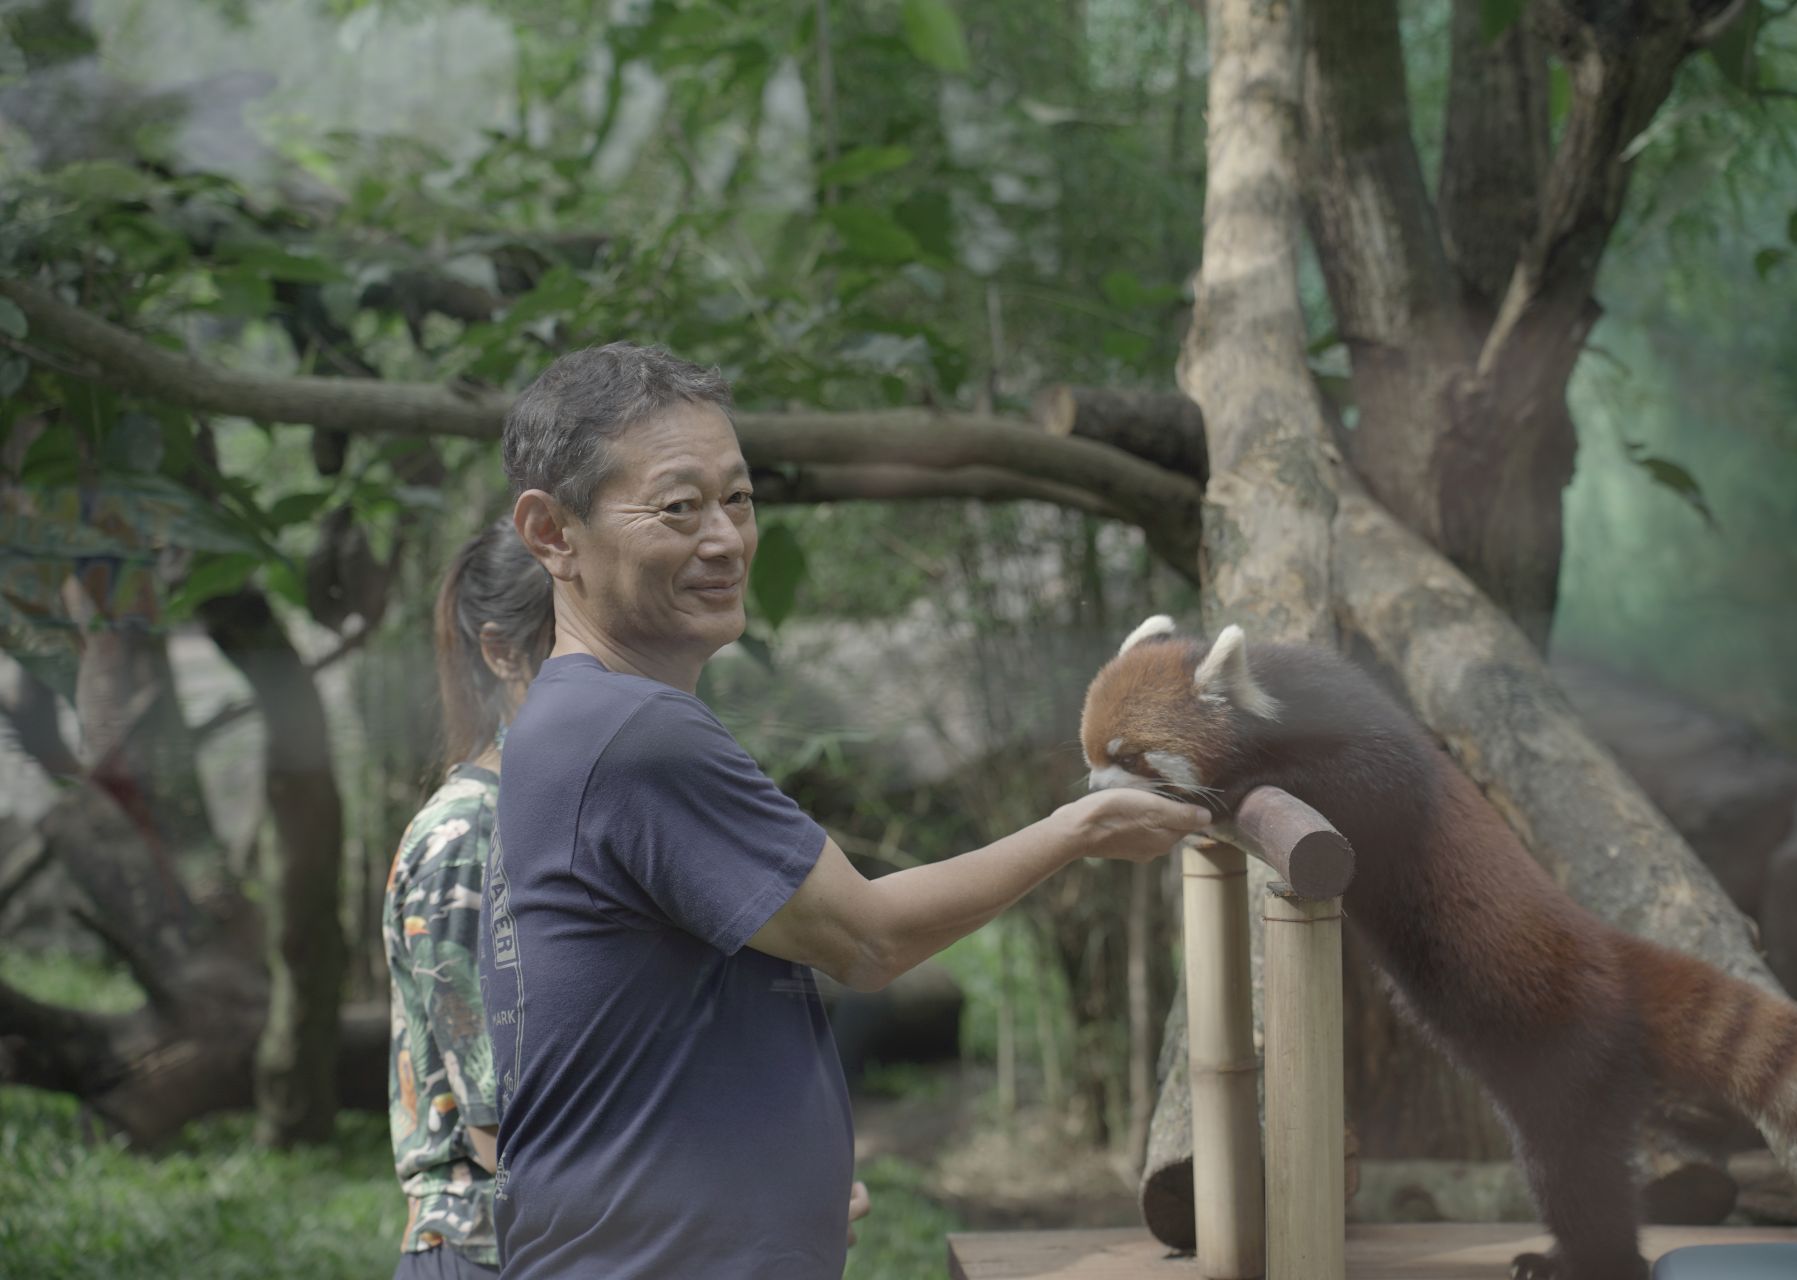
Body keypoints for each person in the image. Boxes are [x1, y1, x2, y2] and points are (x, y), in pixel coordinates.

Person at [482, 342, 1211, 1280]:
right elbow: (868, 941)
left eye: (737, 499)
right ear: (552, 533)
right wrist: (1082, 828)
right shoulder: (633, 735)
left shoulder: (573, 720)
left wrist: (774, 1182)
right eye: (678, 507)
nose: (725, 539)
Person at [383, 515, 553, 1279]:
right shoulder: (465, 837)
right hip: (486, 1250)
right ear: (503, 653)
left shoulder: (547, 807)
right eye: (575, 648)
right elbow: (495, 1124)